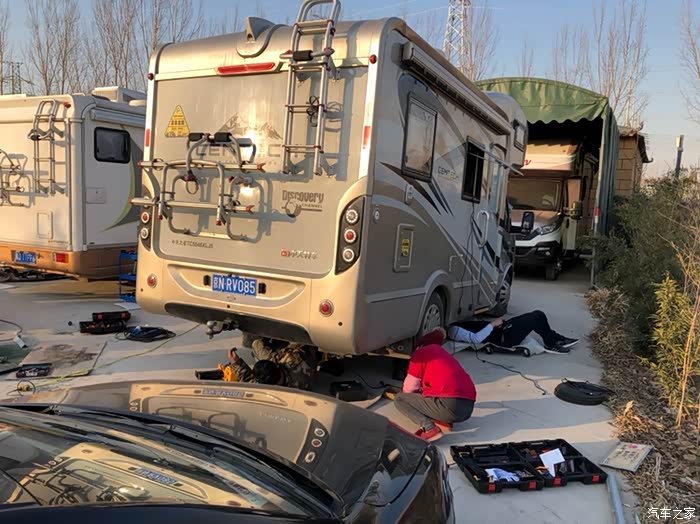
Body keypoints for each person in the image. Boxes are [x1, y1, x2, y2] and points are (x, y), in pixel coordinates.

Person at [394, 328, 477, 442]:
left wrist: (411, 398)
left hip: (449, 406)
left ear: (419, 346)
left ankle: (429, 429)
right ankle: (443, 420)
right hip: (467, 409)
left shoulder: (420, 353)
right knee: (429, 395)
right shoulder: (444, 355)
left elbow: (410, 388)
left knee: (400, 399)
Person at [447, 310, 578, 354]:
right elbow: (476, 338)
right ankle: (552, 343)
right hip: (505, 337)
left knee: (538, 315)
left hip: (503, 329)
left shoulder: (455, 322)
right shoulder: (453, 330)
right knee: (536, 317)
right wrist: (492, 325)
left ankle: (555, 338)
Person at [228, 338, 317, 390]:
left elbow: (248, 381)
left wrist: (236, 362)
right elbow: (305, 346)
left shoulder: (268, 390)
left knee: (257, 345)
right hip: (304, 356)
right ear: (276, 365)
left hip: (282, 367)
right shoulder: (299, 363)